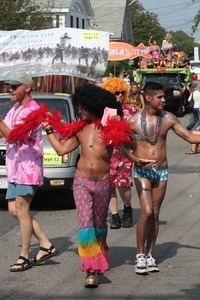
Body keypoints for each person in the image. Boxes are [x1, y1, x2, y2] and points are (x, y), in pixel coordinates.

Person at [42, 84, 130, 287]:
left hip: (103, 182)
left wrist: (137, 155)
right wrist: (49, 131)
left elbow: (128, 145)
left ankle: (100, 252)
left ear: (94, 105)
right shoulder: (79, 129)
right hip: (81, 181)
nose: (79, 109)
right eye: (78, 106)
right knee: (85, 224)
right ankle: (91, 270)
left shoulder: (109, 127)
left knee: (99, 226)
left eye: (83, 106)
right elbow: (62, 150)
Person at [122, 81, 200, 275]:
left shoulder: (168, 118)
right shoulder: (132, 121)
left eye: (163, 96)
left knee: (155, 213)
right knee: (146, 212)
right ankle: (139, 255)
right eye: (160, 97)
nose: (164, 100)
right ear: (148, 98)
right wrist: (134, 158)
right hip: (142, 172)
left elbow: (190, 137)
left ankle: (150, 255)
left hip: (162, 171)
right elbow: (122, 146)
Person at [0, 72, 57, 272]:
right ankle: (46, 245)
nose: (10, 90)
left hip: (27, 168)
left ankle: (23, 257)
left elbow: (13, 136)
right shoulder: (15, 108)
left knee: (22, 211)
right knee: (13, 210)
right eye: (9, 86)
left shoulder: (33, 112)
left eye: (14, 86)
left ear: (27, 88)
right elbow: (3, 131)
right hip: (14, 168)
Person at [101, 77, 134, 229]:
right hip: (107, 152)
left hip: (125, 151)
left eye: (121, 92)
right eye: (115, 93)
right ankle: (114, 216)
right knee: (109, 185)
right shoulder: (103, 111)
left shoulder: (131, 109)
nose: (119, 95)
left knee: (123, 183)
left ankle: (127, 208)